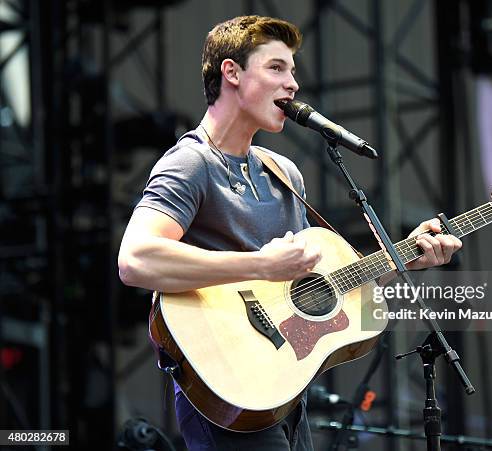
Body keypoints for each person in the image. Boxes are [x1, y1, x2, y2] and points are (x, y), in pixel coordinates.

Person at [118, 15, 462, 451]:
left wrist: (405, 258)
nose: (293, 84)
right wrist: (260, 265)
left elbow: (313, 288)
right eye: (277, 68)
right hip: (225, 388)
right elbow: (136, 260)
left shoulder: (283, 172)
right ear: (232, 73)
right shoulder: (191, 163)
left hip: (282, 389)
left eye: (293, 71)